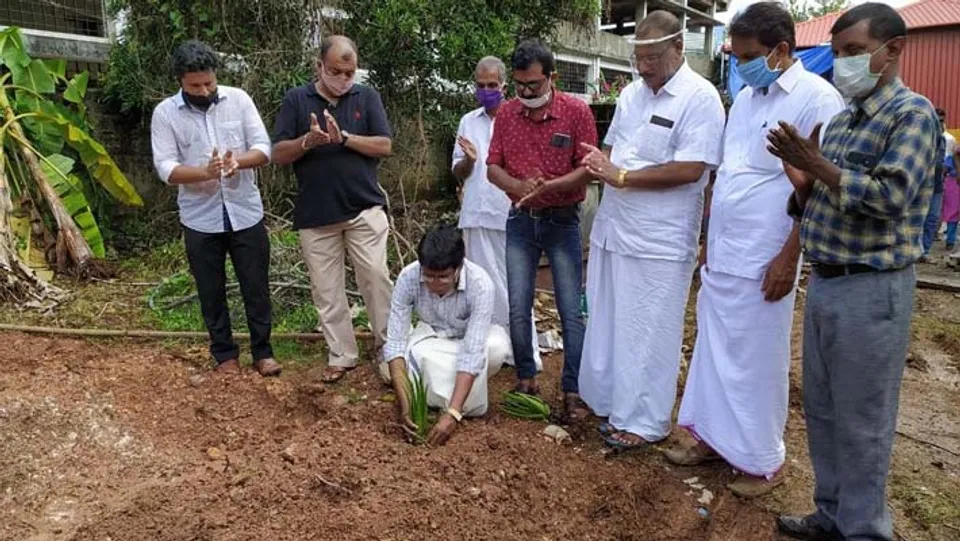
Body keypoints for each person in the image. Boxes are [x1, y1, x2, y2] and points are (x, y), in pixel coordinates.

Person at [768, 4, 941, 540]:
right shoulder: (841, 121)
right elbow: (823, 197)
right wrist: (804, 183)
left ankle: (864, 529)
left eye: (854, 53)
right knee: (822, 410)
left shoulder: (912, 115)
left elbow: (890, 197)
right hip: (826, 281)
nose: (842, 64)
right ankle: (832, 513)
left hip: (873, 288)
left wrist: (817, 167)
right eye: (839, 53)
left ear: (893, 51)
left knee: (864, 422)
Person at [664, 2, 845, 498]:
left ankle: (761, 459)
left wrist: (792, 254)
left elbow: (820, 190)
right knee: (713, 349)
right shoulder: (745, 98)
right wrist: (707, 239)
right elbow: (727, 174)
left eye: (747, 55)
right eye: (737, 55)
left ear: (781, 50)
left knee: (757, 359)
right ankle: (710, 438)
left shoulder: (817, 99)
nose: (740, 64)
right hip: (725, 251)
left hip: (769, 256)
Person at [576, 11, 724, 449]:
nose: (643, 67)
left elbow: (692, 168)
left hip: (660, 241)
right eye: (638, 58)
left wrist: (619, 176)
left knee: (649, 332)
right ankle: (606, 402)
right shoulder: (631, 95)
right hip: (615, 230)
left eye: (652, 58)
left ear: (679, 47)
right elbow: (611, 147)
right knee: (607, 320)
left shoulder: (700, 98)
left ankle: (643, 421)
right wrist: (599, 164)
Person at [150, 40, 280, 377]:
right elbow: (165, 168)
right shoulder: (165, 113)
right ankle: (225, 356)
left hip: (245, 212)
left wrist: (238, 161)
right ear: (180, 80)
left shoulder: (238, 100)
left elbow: (263, 148)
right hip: (200, 218)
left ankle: (263, 352)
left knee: (256, 286)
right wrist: (204, 172)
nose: (204, 89)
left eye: (209, 82)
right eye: (195, 85)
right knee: (211, 291)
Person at [486, 40, 598, 418]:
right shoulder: (506, 115)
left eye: (533, 84)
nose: (526, 92)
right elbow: (492, 166)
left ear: (552, 77)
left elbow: (589, 166)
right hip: (520, 221)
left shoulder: (576, 112)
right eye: (519, 85)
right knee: (518, 305)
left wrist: (556, 185)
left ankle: (572, 390)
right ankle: (526, 378)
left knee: (570, 309)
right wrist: (515, 187)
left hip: (563, 219)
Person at [272, 35, 393, 383]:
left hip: (363, 209)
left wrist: (345, 138)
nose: (344, 79)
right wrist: (306, 142)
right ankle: (342, 353)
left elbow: (384, 145)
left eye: (350, 72)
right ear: (320, 67)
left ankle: (389, 348)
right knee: (326, 290)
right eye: (336, 72)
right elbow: (278, 153)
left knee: (376, 279)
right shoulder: (297, 99)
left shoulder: (366, 96)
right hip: (316, 215)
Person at [380, 225, 512, 446]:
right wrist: (406, 408)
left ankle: (451, 394)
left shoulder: (480, 284)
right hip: (431, 339)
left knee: (497, 348)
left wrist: (453, 413)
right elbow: (395, 342)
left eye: (442, 277)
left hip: (468, 339)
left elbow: (472, 351)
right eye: (429, 276)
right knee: (412, 352)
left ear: (459, 268)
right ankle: (463, 390)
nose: (434, 283)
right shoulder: (408, 277)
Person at [453, 56, 543, 373]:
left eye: (492, 85)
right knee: (480, 287)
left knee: (514, 286)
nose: (486, 90)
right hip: (476, 214)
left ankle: (524, 353)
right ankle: (492, 348)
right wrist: (470, 160)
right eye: (481, 85)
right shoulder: (468, 121)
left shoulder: (519, 117)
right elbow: (458, 172)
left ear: (504, 85)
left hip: (511, 212)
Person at [937, 109, 959, 252]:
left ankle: (950, 240)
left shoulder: (950, 140)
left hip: (951, 179)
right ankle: (950, 240)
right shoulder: (951, 145)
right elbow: (954, 156)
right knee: (953, 213)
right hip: (952, 181)